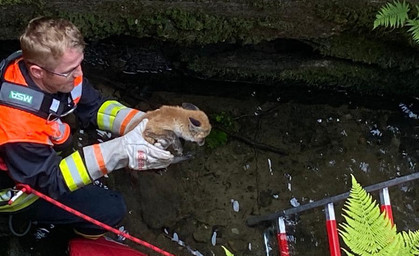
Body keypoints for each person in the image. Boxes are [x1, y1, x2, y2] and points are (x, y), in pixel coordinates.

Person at [0, 16, 174, 238]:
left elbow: (95, 107)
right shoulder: (16, 125)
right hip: (23, 189)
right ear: (37, 72)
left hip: (38, 159)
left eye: (80, 62)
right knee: (112, 210)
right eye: (70, 70)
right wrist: (119, 151)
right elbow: (48, 183)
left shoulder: (59, 73)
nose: (79, 74)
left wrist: (143, 124)